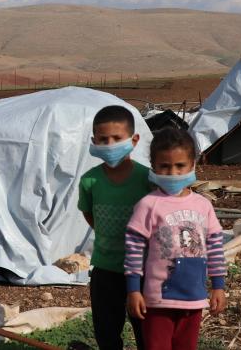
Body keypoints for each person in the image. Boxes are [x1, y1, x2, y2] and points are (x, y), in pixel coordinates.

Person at [124, 127, 227, 350]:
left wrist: (218, 286)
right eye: (165, 166)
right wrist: (133, 290)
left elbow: (216, 246)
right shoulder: (148, 205)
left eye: (180, 166)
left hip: (194, 298)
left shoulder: (203, 205)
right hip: (158, 300)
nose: (173, 173)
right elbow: (133, 250)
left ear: (192, 165)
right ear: (154, 166)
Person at [78, 105, 150, 350]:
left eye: (117, 139)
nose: (110, 145)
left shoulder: (148, 179)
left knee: (146, 331)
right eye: (103, 139)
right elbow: (89, 214)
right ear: (94, 141)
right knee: (107, 332)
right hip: (105, 269)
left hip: (143, 271)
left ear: (134, 140)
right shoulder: (90, 181)